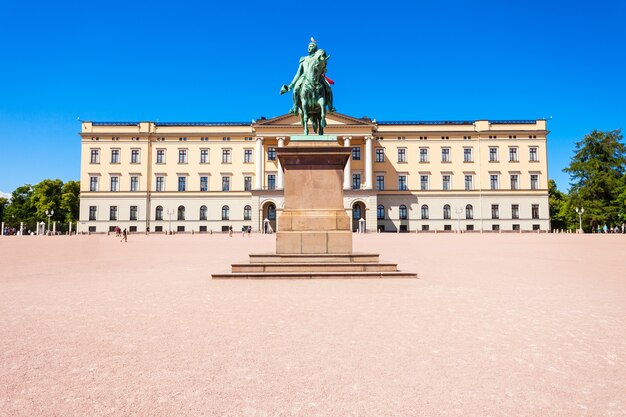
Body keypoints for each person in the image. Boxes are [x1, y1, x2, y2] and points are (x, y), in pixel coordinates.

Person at [281, 40, 335, 114]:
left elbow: (322, 67)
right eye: (309, 46)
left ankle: (330, 106)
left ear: (315, 49)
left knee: (328, 88)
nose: (309, 48)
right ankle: (295, 106)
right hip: (304, 77)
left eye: (311, 46)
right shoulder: (303, 59)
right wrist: (292, 84)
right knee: (296, 89)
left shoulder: (318, 58)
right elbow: (298, 72)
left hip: (317, 77)